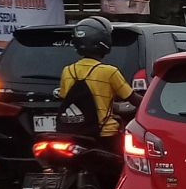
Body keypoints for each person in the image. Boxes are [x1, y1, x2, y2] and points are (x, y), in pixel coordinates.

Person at [58, 16, 143, 151]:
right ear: (104, 42)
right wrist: (151, 105)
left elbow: (65, 97)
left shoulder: (67, 71)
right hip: (105, 134)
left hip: (75, 132)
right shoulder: (109, 72)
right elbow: (133, 99)